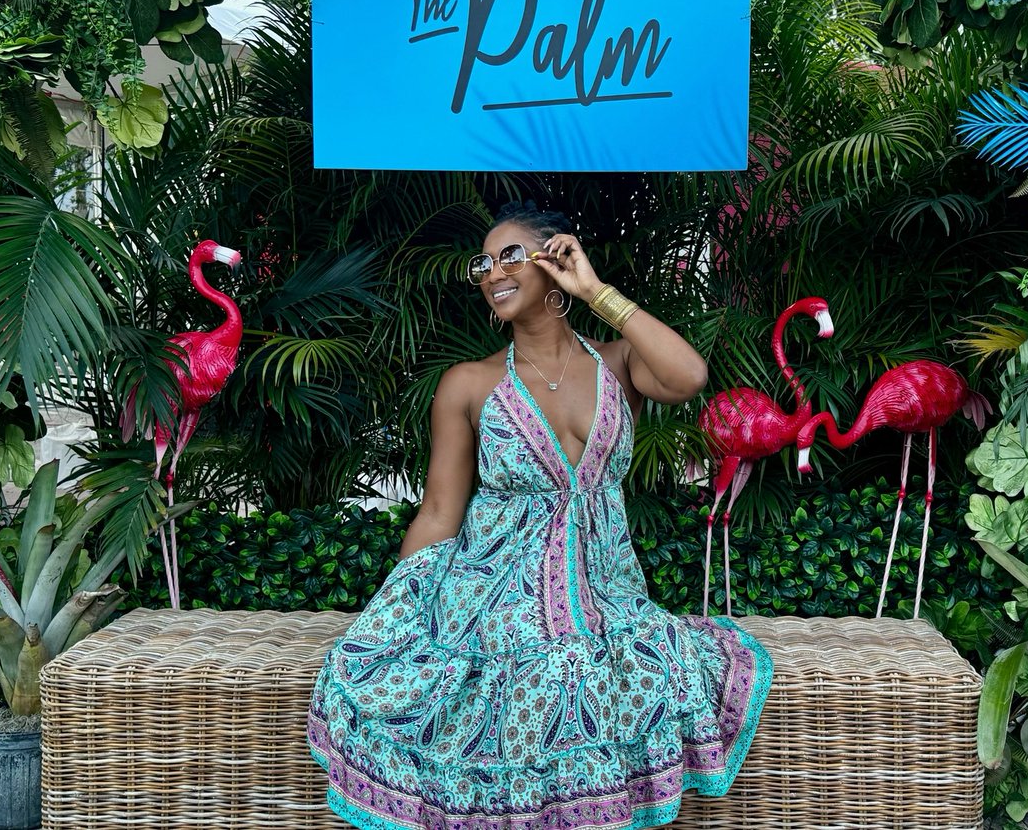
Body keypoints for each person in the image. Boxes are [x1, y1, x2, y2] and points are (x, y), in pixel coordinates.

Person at [308, 204, 773, 830]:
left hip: (606, 591)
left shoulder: (618, 365)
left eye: (510, 256)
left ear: (555, 260)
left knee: (615, 668)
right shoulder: (469, 384)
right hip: (494, 591)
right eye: (483, 262)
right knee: (542, 677)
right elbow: (441, 510)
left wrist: (595, 291)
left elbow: (689, 376)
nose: (492, 272)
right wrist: (399, 608)